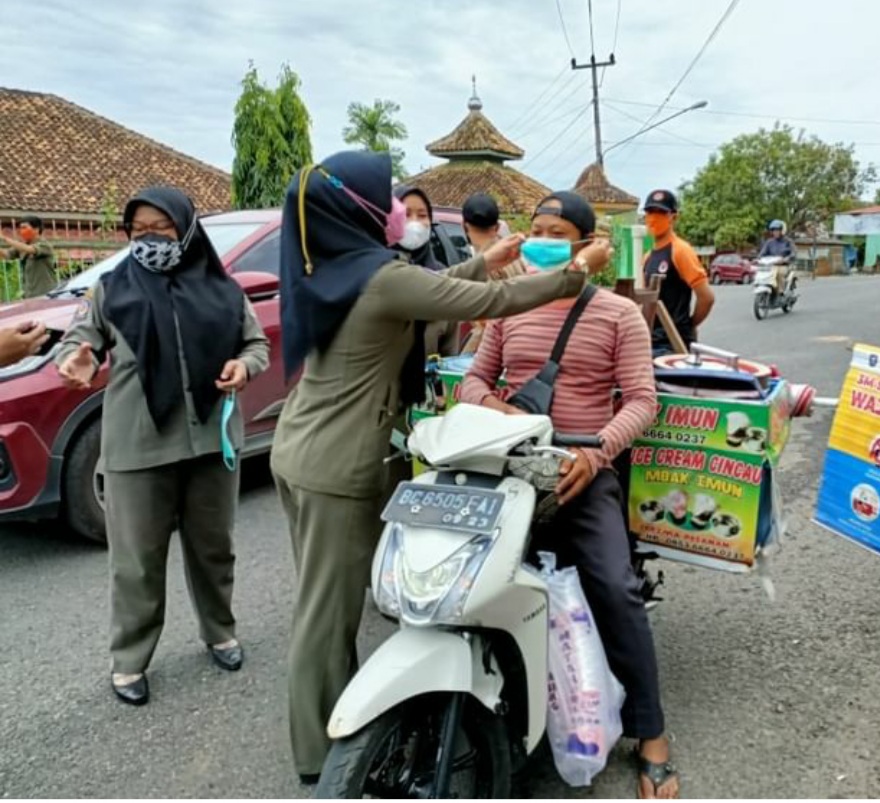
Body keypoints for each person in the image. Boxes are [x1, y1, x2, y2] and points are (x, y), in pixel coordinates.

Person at [269, 150, 607, 784]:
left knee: (339, 599)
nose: (401, 210)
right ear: (358, 208)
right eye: (389, 198)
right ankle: (326, 760)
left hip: (308, 448)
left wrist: (488, 258)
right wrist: (573, 274)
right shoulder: (380, 277)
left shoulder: (339, 267)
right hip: (338, 461)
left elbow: (440, 294)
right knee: (326, 613)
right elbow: (479, 300)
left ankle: (363, 723)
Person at [460, 190, 679, 799]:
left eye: (557, 230)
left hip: (584, 469)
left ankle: (651, 730)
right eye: (537, 228)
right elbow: (473, 380)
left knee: (615, 585)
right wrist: (499, 408)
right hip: (509, 468)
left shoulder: (616, 314)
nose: (543, 239)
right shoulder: (508, 307)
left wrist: (595, 452)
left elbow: (642, 400)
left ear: (585, 244)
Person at [55, 186, 270, 706]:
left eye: (162, 229)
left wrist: (244, 367)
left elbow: (256, 344)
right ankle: (129, 660)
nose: (150, 240)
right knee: (136, 562)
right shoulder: (112, 290)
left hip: (209, 444)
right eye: (139, 232)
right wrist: (76, 358)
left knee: (214, 549)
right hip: (138, 448)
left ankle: (219, 631)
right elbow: (79, 341)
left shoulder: (223, 289)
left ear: (186, 229)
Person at [641, 189, 713, 355]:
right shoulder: (648, 255)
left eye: (661, 212)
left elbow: (707, 298)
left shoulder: (680, 250)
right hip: (650, 341)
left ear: (673, 217)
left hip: (673, 345)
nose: (654, 217)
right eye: (650, 212)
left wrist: (689, 325)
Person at [392, 184, 459, 357]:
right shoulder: (374, 274)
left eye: (422, 215)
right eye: (406, 214)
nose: (414, 223)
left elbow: (449, 356)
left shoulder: (442, 278)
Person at [460, 191, 527, 354]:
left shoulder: (482, 265)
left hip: (493, 347)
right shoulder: (516, 256)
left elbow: (485, 322)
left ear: (464, 225)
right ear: (497, 227)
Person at [2, 215, 58, 298]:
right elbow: (6, 254)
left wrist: (5, 239)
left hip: (46, 294)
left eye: (25, 228)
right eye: (20, 228)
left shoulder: (45, 245)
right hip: (29, 294)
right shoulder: (22, 245)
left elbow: (30, 249)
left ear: (36, 229)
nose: (21, 231)